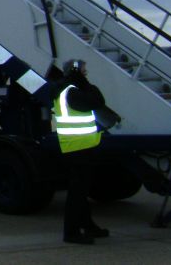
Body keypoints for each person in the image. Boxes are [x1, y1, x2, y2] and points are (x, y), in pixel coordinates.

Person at [53, 59, 109, 245]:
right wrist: (87, 85)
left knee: (81, 191)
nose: (86, 73)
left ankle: (88, 225)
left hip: (79, 146)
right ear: (75, 71)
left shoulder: (68, 88)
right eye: (83, 71)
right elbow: (96, 101)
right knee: (77, 193)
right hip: (77, 147)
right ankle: (71, 232)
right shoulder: (71, 91)